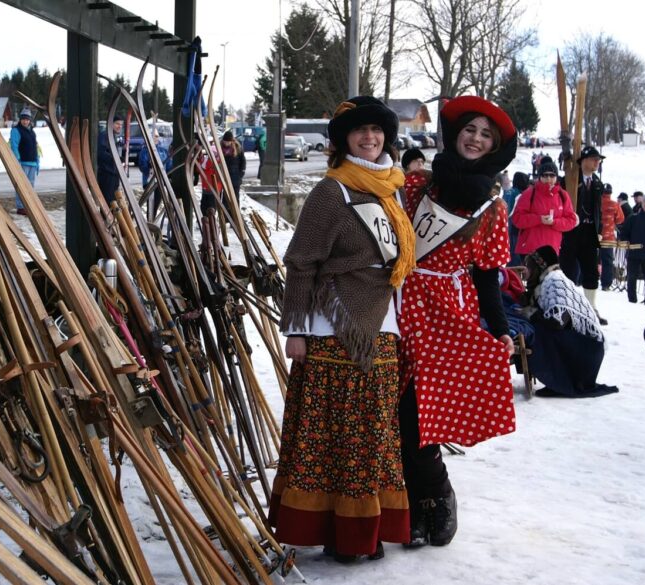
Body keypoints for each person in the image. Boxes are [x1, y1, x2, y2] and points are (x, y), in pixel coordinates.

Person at [271, 96, 415, 562]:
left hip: (382, 323)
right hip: (334, 326)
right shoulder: (331, 192)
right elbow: (301, 262)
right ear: (343, 140)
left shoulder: (388, 189)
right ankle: (339, 533)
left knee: (373, 433)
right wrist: (294, 329)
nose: (369, 138)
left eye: (376, 130)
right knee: (335, 434)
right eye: (360, 131)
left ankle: (365, 528)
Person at [399, 96, 518, 549]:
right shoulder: (415, 187)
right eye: (471, 129)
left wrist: (501, 327)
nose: (476, 138)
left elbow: (488, 276)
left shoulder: (493, 208)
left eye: (487, 135)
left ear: (494, 148)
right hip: (401, 301)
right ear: (456, 134)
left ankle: (437, 493)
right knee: (394, 404)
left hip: (449, 311)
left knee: (418, 411)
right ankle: (408, 502)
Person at [518, 246, 618, 398]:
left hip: (588, 352)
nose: (526, 272)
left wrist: (532, 313)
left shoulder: (554, 281)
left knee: (540, 330)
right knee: (537, 327)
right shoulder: (547, 281)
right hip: (585, 349)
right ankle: (559, 381)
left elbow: (559, 322)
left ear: (540, 265)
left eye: (529, 267)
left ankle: (564, 381)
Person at [559, 145, 607, 324]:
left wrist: (599, 230)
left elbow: (598, 210)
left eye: (598, 160)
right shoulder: (570, 180)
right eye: (594, 159)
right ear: (584, 161)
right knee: (568, 270)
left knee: (591, 272)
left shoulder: (597, 183)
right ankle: (567, 306)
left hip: (589, 232)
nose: (597, 163)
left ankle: (591, 308)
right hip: (571, 232)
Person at [511, 156, 577, 261]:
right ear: (539, 177)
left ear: (556, 177)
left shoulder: (563, 195)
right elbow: (517, 219)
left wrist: (554, 222)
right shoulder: (529, 193)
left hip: (553, 249)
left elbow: (571, 220)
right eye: (545, 175)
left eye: (552, 175)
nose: (548, 179)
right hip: (530, 249)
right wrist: (539, 219)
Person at [620, 193, 645, 305]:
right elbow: (624, 233)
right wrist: (626, 241)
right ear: (642, 203)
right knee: (631, 278)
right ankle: (632, 300)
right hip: (634, 253)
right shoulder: (633, 218)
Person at [137, 132, 173, 221]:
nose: (155, 138)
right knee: (150, 204)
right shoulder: (144, 151)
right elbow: (142, 166)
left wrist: (169, 176)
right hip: (149, 182)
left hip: (160, 182)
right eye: (153, 136)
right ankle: (150, 222)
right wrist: (148, 167)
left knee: (156, 203)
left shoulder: (163, 150)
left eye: (157, 136)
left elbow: (168, 165)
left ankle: (152, 222)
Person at [10, 108, 39, 215]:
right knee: (21, 185)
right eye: (23, 119)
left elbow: (35, 146)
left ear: (30, 120)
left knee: (30, 185)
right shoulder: (16, 130)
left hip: (32, 162)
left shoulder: (32, 131)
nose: (25, 121)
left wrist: (37, 160)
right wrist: (17, 159)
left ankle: (29, 205)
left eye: (27, 119)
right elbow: (14, 145)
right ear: (20, 120)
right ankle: (21, 206)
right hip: (22, 162)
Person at [599, 183, 625, 291]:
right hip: (608, 237)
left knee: (589, 258)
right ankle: (606, 284)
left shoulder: (596, 202)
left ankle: (582, 280)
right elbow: (620, 219)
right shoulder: (615, 205)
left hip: (594, 235)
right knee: (607, 261)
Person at [505, 171, 530, 266]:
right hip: (515, 226)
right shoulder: (519, 194)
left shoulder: (508, 191)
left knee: (510, 250)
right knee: (515, 252)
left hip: (506, 225)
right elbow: (513, 211)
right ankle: (514, 273)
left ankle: (509, 272)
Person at [97, 116, 124, 205]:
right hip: (107, 174)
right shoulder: (105, 136)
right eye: (117, 124)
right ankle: (106, 218)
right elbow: (101, 154)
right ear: (111, 124)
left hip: (115, 174)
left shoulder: (115, 137)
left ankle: (112, 218)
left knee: (115, 200)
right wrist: (115, 158)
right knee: (108, 202)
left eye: (121, 124)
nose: (119, 126)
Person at [221, 130, 246, 200]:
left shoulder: (238, 148)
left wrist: (242, 172)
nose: (226, 143)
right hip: (225, 176)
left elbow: (243, 161)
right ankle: (226, 210)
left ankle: (235, 210)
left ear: (231, 141)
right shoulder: (220, 148)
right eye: (225, 141)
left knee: (235, 197)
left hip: (236, 176)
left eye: (228, 142)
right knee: (226, 197)